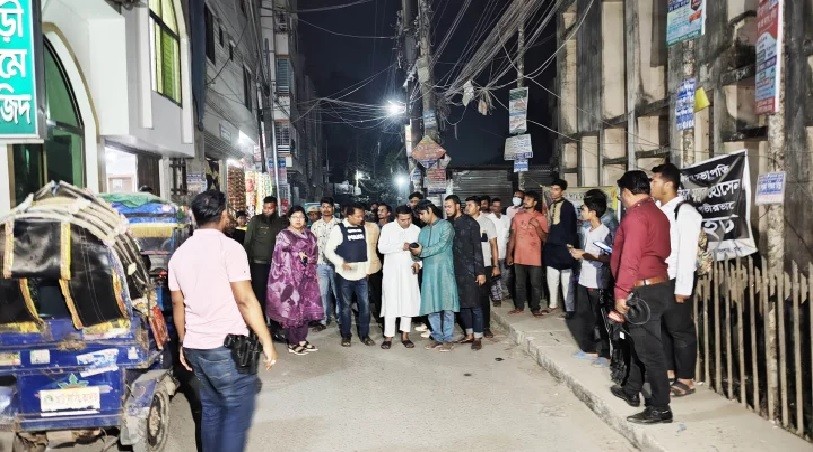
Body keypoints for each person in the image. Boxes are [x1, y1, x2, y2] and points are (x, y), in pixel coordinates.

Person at [168, 190, 276, 452]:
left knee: (211, 409)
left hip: (196, 347)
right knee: (236, 413)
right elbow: (245, 300)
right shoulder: (230, 248)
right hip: (225, 347)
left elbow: (177, 304)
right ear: (224, 214)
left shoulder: (179, 254)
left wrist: (183, 343)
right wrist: (267, 341)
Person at [610, 170, 674, 425]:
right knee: (641, 342)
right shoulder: (658, 213)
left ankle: (660, 407)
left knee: (651, 351)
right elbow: (665, 250)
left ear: (626, 192)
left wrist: (621, 293)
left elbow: (630, 258)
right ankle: (631, 388)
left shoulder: (636, 217)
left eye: (622, 195)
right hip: (657, 286)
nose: (622, 199)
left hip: (641, 290)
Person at [650, 162, 702, 397]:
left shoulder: (685, 212)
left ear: (668, 184)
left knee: (680, 330)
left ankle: (686, 379)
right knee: (663, 327)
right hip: (659, 278)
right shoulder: (658, 209)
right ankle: (669, 371)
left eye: (655, 180)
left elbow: (687, 254)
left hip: (676, 278)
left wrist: (683, 288)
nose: (652, 185)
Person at [265, 206, 323, 356]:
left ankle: (302, 340)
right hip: (289, 278)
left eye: (301, 216)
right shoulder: (284, 235)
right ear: (289, 219)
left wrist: (308, 261)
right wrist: (297, 254)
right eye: (295, 216)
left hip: (307, 277)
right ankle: (292, 342)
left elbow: (314, 255)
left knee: (305, 309)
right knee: (292, 309)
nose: (298, 219)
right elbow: (279, 256)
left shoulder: (310, 235)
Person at [568, 196, 613, 367]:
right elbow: (588, 253)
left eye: (584, 209)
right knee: (584, 315)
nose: (581, 212)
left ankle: (605, 353)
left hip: (597, 281)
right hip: (584, 278)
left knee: (599, 318)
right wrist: (579, 253)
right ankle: (589, 349)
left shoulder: (605, 233)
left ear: (593, 212)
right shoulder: (587, 230)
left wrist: (585, 255)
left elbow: (608, 258)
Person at [325, 204, 376, 347]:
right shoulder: (339, 229)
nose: (361, 219)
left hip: (361, 275)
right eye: (358, 216)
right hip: (344, 276)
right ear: (349, 216)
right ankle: (346, 335)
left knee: (365, 306)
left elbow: (367, 251)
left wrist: (367, 270)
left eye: (362, 216)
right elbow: (328, 251)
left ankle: (365, 335)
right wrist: (341, 263)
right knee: (345, 307)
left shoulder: (363, 228)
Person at [411, 200, 458, 351]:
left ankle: (448, 339)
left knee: (447, 305)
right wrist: (415, 256)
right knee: (431, 305)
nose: (420, 217)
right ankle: (437, 338)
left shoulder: (446, 226)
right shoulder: (423, 231)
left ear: (430, 210)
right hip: (429, 272)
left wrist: (422, 251)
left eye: (422, 214)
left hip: (445, 271)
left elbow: (442, 246)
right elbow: (418, 251)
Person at [444, 195, 487, 349]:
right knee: (462, 304)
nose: (447, 209)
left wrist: (480, 271)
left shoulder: (471, 223)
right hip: (453, 270)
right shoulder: (447, 224)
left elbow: (477, 248)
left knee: (474, 304)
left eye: (449, 206)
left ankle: (478, 337)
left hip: (470, 269)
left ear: (457, 206)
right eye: (445, 207)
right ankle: (469, 334)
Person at [377, 205, 421, 349]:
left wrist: (418, 263)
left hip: (409, 272)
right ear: (396, 218)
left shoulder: (416, 229)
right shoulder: (387, 228)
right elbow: (381, 248)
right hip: (392, 273)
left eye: (409, 219)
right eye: (403, 220)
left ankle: (405, 335)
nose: (406, 222)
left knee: (408, 302)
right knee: (391, 302)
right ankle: (388, 336)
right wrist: (401, 246)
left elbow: (420, 251)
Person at [243, 196, 288, 326]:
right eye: (265, 207)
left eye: (270, 208)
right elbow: (248, 242)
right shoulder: (256, 221)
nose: (267, 210)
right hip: (258, 265)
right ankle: (260, 324)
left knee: (275, 295)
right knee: (259, 295)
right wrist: (246, 264)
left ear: (275, 208)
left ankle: (275, 325)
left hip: (276, 265)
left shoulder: (280, 223)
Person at [507, 191, 548, 316]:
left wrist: (537, 226)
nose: (525, 201)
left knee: (535, 284)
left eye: (528, 199)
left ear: (535, 202)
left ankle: (535, 308)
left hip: (535, 257)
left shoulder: (541, 218)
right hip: (519, 256)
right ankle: (519, 307)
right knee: (519, 284)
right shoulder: (517, 217)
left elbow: (545, 239)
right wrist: (509, 254)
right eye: (524, 199)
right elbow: (512, 237)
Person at [544, 179, 579, 318]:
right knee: (551, 276)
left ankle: (569, 308)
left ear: (562, 191)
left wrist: (570, 246)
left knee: (566, 279)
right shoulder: (551, 205)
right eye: (552, 189)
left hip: (564, 247)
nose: (553, 192)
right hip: (552, 246)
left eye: (556, 189)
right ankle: (553, 304)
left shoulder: (568, 206)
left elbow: (572, 228)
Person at [467, 196, 500, 339]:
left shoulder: (487, 222)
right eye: (466, 205)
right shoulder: (464, 222)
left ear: (478, 207)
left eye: (470, 205)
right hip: (468, 265)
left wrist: (495, 265)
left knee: (483, 296)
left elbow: (493, 244)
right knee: (469, 297)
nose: (467, 208)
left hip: (485, 264)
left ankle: (485, 326)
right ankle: (472, 326)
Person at [311, 197, 341, 331]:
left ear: (333, 208)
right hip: (320, 263)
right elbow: (311, 245)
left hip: (336, 264)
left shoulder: (340, 224)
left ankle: (340, 318)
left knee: (338, 292)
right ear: (321, 208)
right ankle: (323, 319)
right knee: (322, 293)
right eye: (324, 206)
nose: (326, 209)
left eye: (329, 206)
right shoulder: (315, 225)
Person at [487, 197, 511, 302]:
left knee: (505, 275)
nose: (497, 208)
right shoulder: (488, 219)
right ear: (491, 207)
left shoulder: (506, 219)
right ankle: (495, 295)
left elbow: (509, 235)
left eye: (499, 206)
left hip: (504, 252)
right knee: (494, 275)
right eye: (495, 206)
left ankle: (504, 293)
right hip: (492, 253)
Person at [365, 214, 383, 328]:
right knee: (362, 295)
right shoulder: (348, 228)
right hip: (359, 267)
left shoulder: (373, 227)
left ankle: (381, 315)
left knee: (377, 293)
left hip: (374, 265)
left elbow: (379, 246)